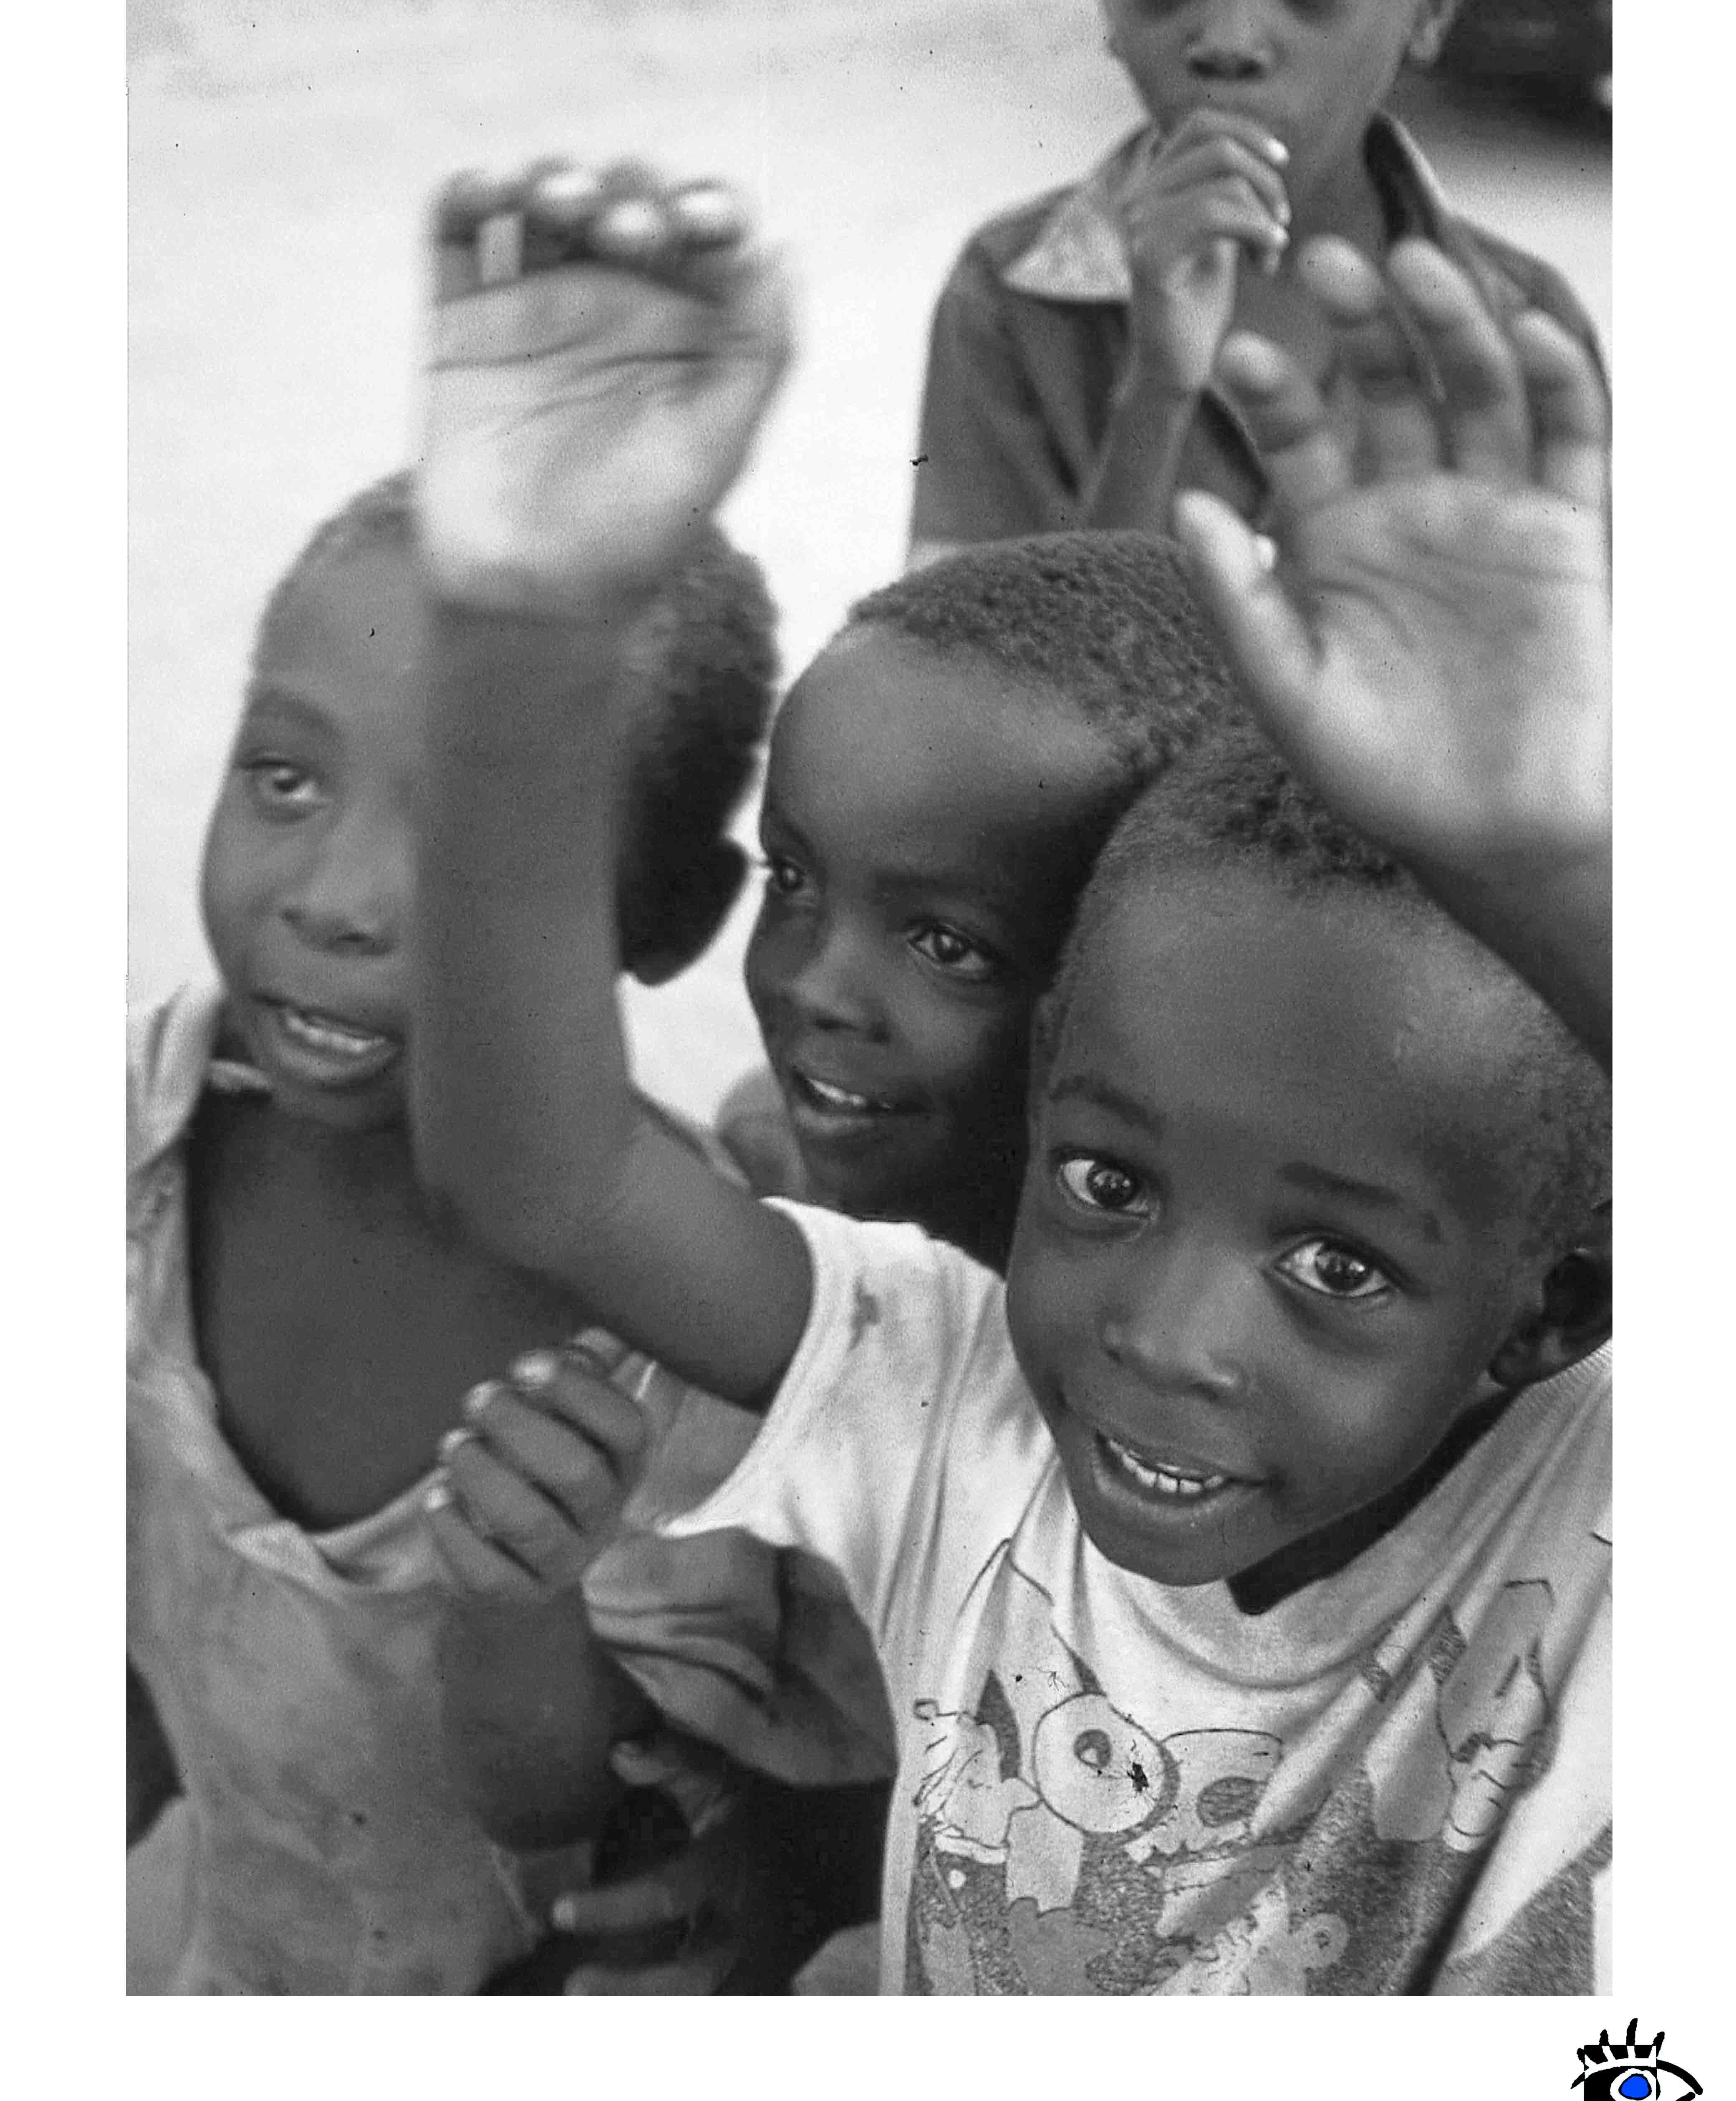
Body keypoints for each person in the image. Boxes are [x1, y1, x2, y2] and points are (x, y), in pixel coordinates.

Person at [413, 158, 1611, 1993]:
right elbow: (543, 1171)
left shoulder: (1586, 1519)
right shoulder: (971, 1401)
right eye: (1107, 1184)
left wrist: (1547, 858)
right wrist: (524, 621)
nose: (1161, 1332)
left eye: (1336, 1267)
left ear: (1550, 1312)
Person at [127, 465, 888, 1994]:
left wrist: (524, 1591)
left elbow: (573, 1821)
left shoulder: (695, 1334)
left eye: (468, 845)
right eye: (285, 779)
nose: (338, 901)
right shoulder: (135, 1143)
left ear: (664, 913)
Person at [907, 0, 1605, 569]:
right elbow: (961, 694)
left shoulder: (1522, 334)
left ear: (1432, 0)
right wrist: (1154, 399)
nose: (1230, 39)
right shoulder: (1009, 302)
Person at [712, 526, 1244, 1255]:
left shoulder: (1103, 1349)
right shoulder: (764, 1153)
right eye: (793, 878)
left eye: (946, 946)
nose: (814, 988)